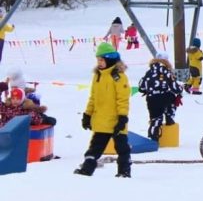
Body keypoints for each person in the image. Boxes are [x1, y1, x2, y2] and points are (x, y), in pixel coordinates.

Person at [74, 43, 132, 178]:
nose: (99, 63)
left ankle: (124, 172)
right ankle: (86, 170)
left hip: (116, 120)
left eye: (101, 60)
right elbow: (93, 98)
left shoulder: (118, 76)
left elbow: (122, 99)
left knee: (122, 148)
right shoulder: (97, 76)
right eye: (98, 60)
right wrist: (87, 114)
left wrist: (122, 117)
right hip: (101, 120)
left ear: (110, 59)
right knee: (94, 148)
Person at [137, 52, 183, 141]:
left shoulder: (149, 72)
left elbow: (141, 86)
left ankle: (153, 136)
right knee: (172, 100)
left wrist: (148, 90)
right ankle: (169, 117)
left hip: (151, 98)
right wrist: (180, 89)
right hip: (164, 96)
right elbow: (174, 87)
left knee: (155, 117)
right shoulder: (166, 71)